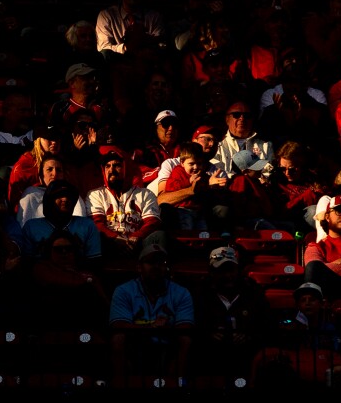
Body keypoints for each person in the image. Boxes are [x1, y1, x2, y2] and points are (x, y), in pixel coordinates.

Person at [109, 244, 194, 385]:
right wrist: (152, 327)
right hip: (135, 346)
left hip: (168, 346)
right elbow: (119, 325)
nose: (156, 267)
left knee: (186, 340)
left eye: (161, 263)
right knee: (118, 338)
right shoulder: (124, 290)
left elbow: (186, 328)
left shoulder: (181, 292)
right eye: (150, 262)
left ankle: (176, 385)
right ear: (139, 267)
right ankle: (121, 386)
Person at [192, 246, 270, 389]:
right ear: (211, 271)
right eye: (222, 270)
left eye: (231, 269)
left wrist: (249, 336)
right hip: (210, 359)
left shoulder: (253, 292)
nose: (228, 275)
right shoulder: (200, 294)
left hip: (246, 358)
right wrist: (207, 334)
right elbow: (192, 327)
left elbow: (267, 326)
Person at [88, 145, 165, 259]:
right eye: (107, 166)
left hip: (138, 244)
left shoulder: (145, 194)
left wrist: (135, 237)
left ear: (126, 168)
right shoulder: (95, 194)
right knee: (96, 236)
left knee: (159, 236)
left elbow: (152, 222)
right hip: (109, 244)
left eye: (117, 165)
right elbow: (97, 224)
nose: (111, 170)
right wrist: (116, 239)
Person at [162, 141, 232, 233]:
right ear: (182, 163)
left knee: (202, 230)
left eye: (199, 164)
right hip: (183, 209)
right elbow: (171, 188)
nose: (195, 167)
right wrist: (188, 182)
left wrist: (213, 185)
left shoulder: (202, 174)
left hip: (199, 210)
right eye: (191, 164)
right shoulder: (178, 172)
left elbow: (207, 187)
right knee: (187, 228)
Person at [16, 152, 89, 226]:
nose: (54, 173)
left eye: (59, 170)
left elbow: (80, 225)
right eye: (49, 169)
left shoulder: (72, 195)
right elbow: (23, 224)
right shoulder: (31, 194)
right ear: (41, 176)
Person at [7, 122, 63, 208]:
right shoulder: (24, 166)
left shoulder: (64, 162)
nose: (54, 142)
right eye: (49, 138)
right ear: (38, 140)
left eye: (57, 138)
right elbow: (15, 204)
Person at [212, 99, 274, 177]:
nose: (242, 118)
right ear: (227, 119)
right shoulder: (216, 146)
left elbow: (270, 172)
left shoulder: (266, 146)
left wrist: (257, 176)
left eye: (247, 116)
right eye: (236, 115)